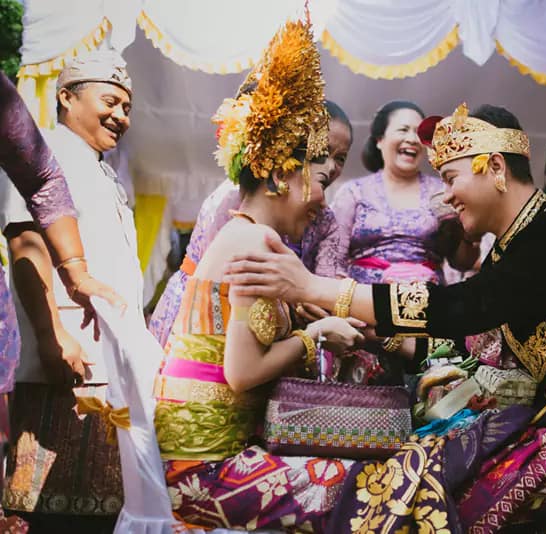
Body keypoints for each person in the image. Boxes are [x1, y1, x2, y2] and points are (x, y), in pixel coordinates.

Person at [224, 103, 546, 531]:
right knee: (409, 468)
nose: (445, 197)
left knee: (436, 494)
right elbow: (474, 346)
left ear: (496, 168)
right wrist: (376, 337)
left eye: (451, 177)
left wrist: (314, 287)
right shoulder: (515, 246)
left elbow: (462, 308)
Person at [154, 19, 365, 531]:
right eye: (318, 178)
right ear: (278, 177)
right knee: (365, 487)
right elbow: (243, 373)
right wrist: (315, 336)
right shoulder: (251, 243)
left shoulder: (246, 234)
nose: (323, 196)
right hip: (202, 469)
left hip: (206, 450)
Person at [1, 51, 139, 532]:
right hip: (62, 365)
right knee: (46, 514)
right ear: (66, 97)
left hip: (106, 367)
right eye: (110, 101)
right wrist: (52, 333)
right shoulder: (45, 153)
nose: (120, 116)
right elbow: (25, 243)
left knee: (98, 514)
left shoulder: (104, 172)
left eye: (127, 107)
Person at [147, 99, 353, 348]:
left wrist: (314, 302)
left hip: (275, 325)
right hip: (207, 316)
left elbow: (323, 284)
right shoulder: (239, 197)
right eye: (322, 153)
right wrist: (294, 297)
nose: (330, 166)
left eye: (340, 158)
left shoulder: (325, 219)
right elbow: (223, 281)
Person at [322, 100, 481, 384]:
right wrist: (343, 311)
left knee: (424, 404)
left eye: (418, 133)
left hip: (424, 318)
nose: (411, 138)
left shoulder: (441, 191)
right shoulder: (353, 192)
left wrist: (470, 236)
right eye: (402, 129)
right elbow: (333, 257)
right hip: (363, 317)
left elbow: (460, 260)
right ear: (380, 139)